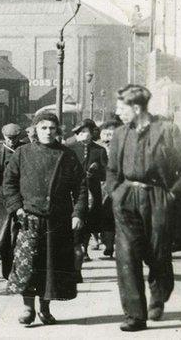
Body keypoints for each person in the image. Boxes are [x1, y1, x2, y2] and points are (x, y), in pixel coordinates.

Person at [105, 84, 181, 332]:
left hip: (157, 197)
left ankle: (159, 294)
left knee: (158, 253)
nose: (118, 112)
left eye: (121, 108)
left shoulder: (166, 130)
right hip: (127, 196)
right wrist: (115, 193)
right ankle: (135, 315)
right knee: (126, 255)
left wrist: (172, 195)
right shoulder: (121, 133)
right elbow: (112, 170)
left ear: (136, 107)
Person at [3, 112, 87, 326]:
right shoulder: (22, 153)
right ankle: (28, 308)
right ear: (35, 130)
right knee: (28, 266)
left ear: (57, 131)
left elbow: (80, 187)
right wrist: (18, 209)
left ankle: (45, 308)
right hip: (29, 219)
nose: (48, 132)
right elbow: (9, 184)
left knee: (51, 267)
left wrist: (77, 213)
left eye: (52, 128)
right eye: (43, 128)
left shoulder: (67, 155)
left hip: (57, 221)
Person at [67, 118, 107, 281]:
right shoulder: (70, 149)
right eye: (79, 132)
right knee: (76, 225)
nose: (82, 135)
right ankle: (78, 257)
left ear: (92, 133)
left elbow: (106, 173)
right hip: (74, 194)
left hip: (93, 192)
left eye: (85, 132)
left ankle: (83, 250)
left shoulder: (99, 151)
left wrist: (96, 171)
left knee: (88, 225)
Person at [0, 123, 27, 279]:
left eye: (15, 138)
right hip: (4, 199)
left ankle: (15, 271)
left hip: (23, 197)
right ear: (3, 137)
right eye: (9, 138)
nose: (12, 142)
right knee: (4, 237)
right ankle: (7, 271)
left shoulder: (25, 150)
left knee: (18, 234)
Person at [98, 116, 119, 259]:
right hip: (101, 187)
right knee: (105, 217)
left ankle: (111, 244)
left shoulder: (123, 147)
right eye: (106, 133)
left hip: (119, 187)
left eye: (112, 133)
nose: (108, 137)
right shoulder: (98, 148)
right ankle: (108, 244)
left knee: (113, 217)